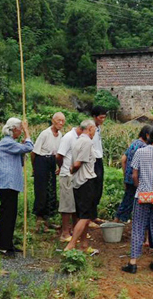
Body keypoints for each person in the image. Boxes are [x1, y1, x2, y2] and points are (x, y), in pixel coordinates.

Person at [122, 126, 153, 274]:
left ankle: (133, 262)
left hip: (142, 195)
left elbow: (134, 175)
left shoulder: (140, 152)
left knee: (138, 227)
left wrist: (140, 187)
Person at [0, 117, 34, 257]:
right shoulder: (7, 143)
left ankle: (7, 244)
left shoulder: (11, 144)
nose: (21, 131)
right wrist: (28, 132)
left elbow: (20, 161)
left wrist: (21, 147)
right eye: (20, 129)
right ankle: (3, 247)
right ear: (14, 129)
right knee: (7, 215)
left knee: (10, 215)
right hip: (7, 184)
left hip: (10, 184)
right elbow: (29, 147)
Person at [64, 120, 98, 252]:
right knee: (85, 216)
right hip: (86, 182)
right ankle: (71, 245)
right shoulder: (87, 142)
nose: (95, 131)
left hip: (78, 182)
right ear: (89, 128)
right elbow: (77, 164)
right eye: (94, 129)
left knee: (81, 215)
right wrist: (72, 170)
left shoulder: (77, 141)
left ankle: (84, 244)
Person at [31, 112, 65, 230]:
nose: (61, 123)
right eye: (58, 120)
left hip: (51, 161)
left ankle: (47, 220)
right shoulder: (45, 134)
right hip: (41, 161)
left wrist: (59, 166)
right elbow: (34, 152)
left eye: (63, 121)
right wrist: (34, 168)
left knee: (51, 190)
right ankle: (39, 220)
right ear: (53, 121)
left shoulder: (60, 135)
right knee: (41, 190)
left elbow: (58, 154)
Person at [114, 125, 151, 223]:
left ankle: (116, 222)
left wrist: (126, 175)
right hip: (138, 180)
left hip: (129, 178)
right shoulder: (144, 147)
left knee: (126, 201)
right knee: (143, 205)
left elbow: (123, 159)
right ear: (147, 135)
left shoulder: (134, 143)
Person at [56, 122, 84, 242]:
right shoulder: (68, 137)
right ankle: (65, 233)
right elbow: (59, 156)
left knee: (74, 204)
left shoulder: (79, 138)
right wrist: (62, 168)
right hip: (67, 175)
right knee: (67, 205)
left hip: (74, 175)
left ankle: (74, 230)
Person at [91, 106, 107, 223]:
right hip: (92, 160)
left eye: (104, 117)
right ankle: (89, 217)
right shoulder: (90, 128)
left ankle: (93, 215)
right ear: (95, 117)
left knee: (98, 188)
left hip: (99, 158)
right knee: (92, 188)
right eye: (101, 117)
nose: (103, 120)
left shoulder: (98, 128)